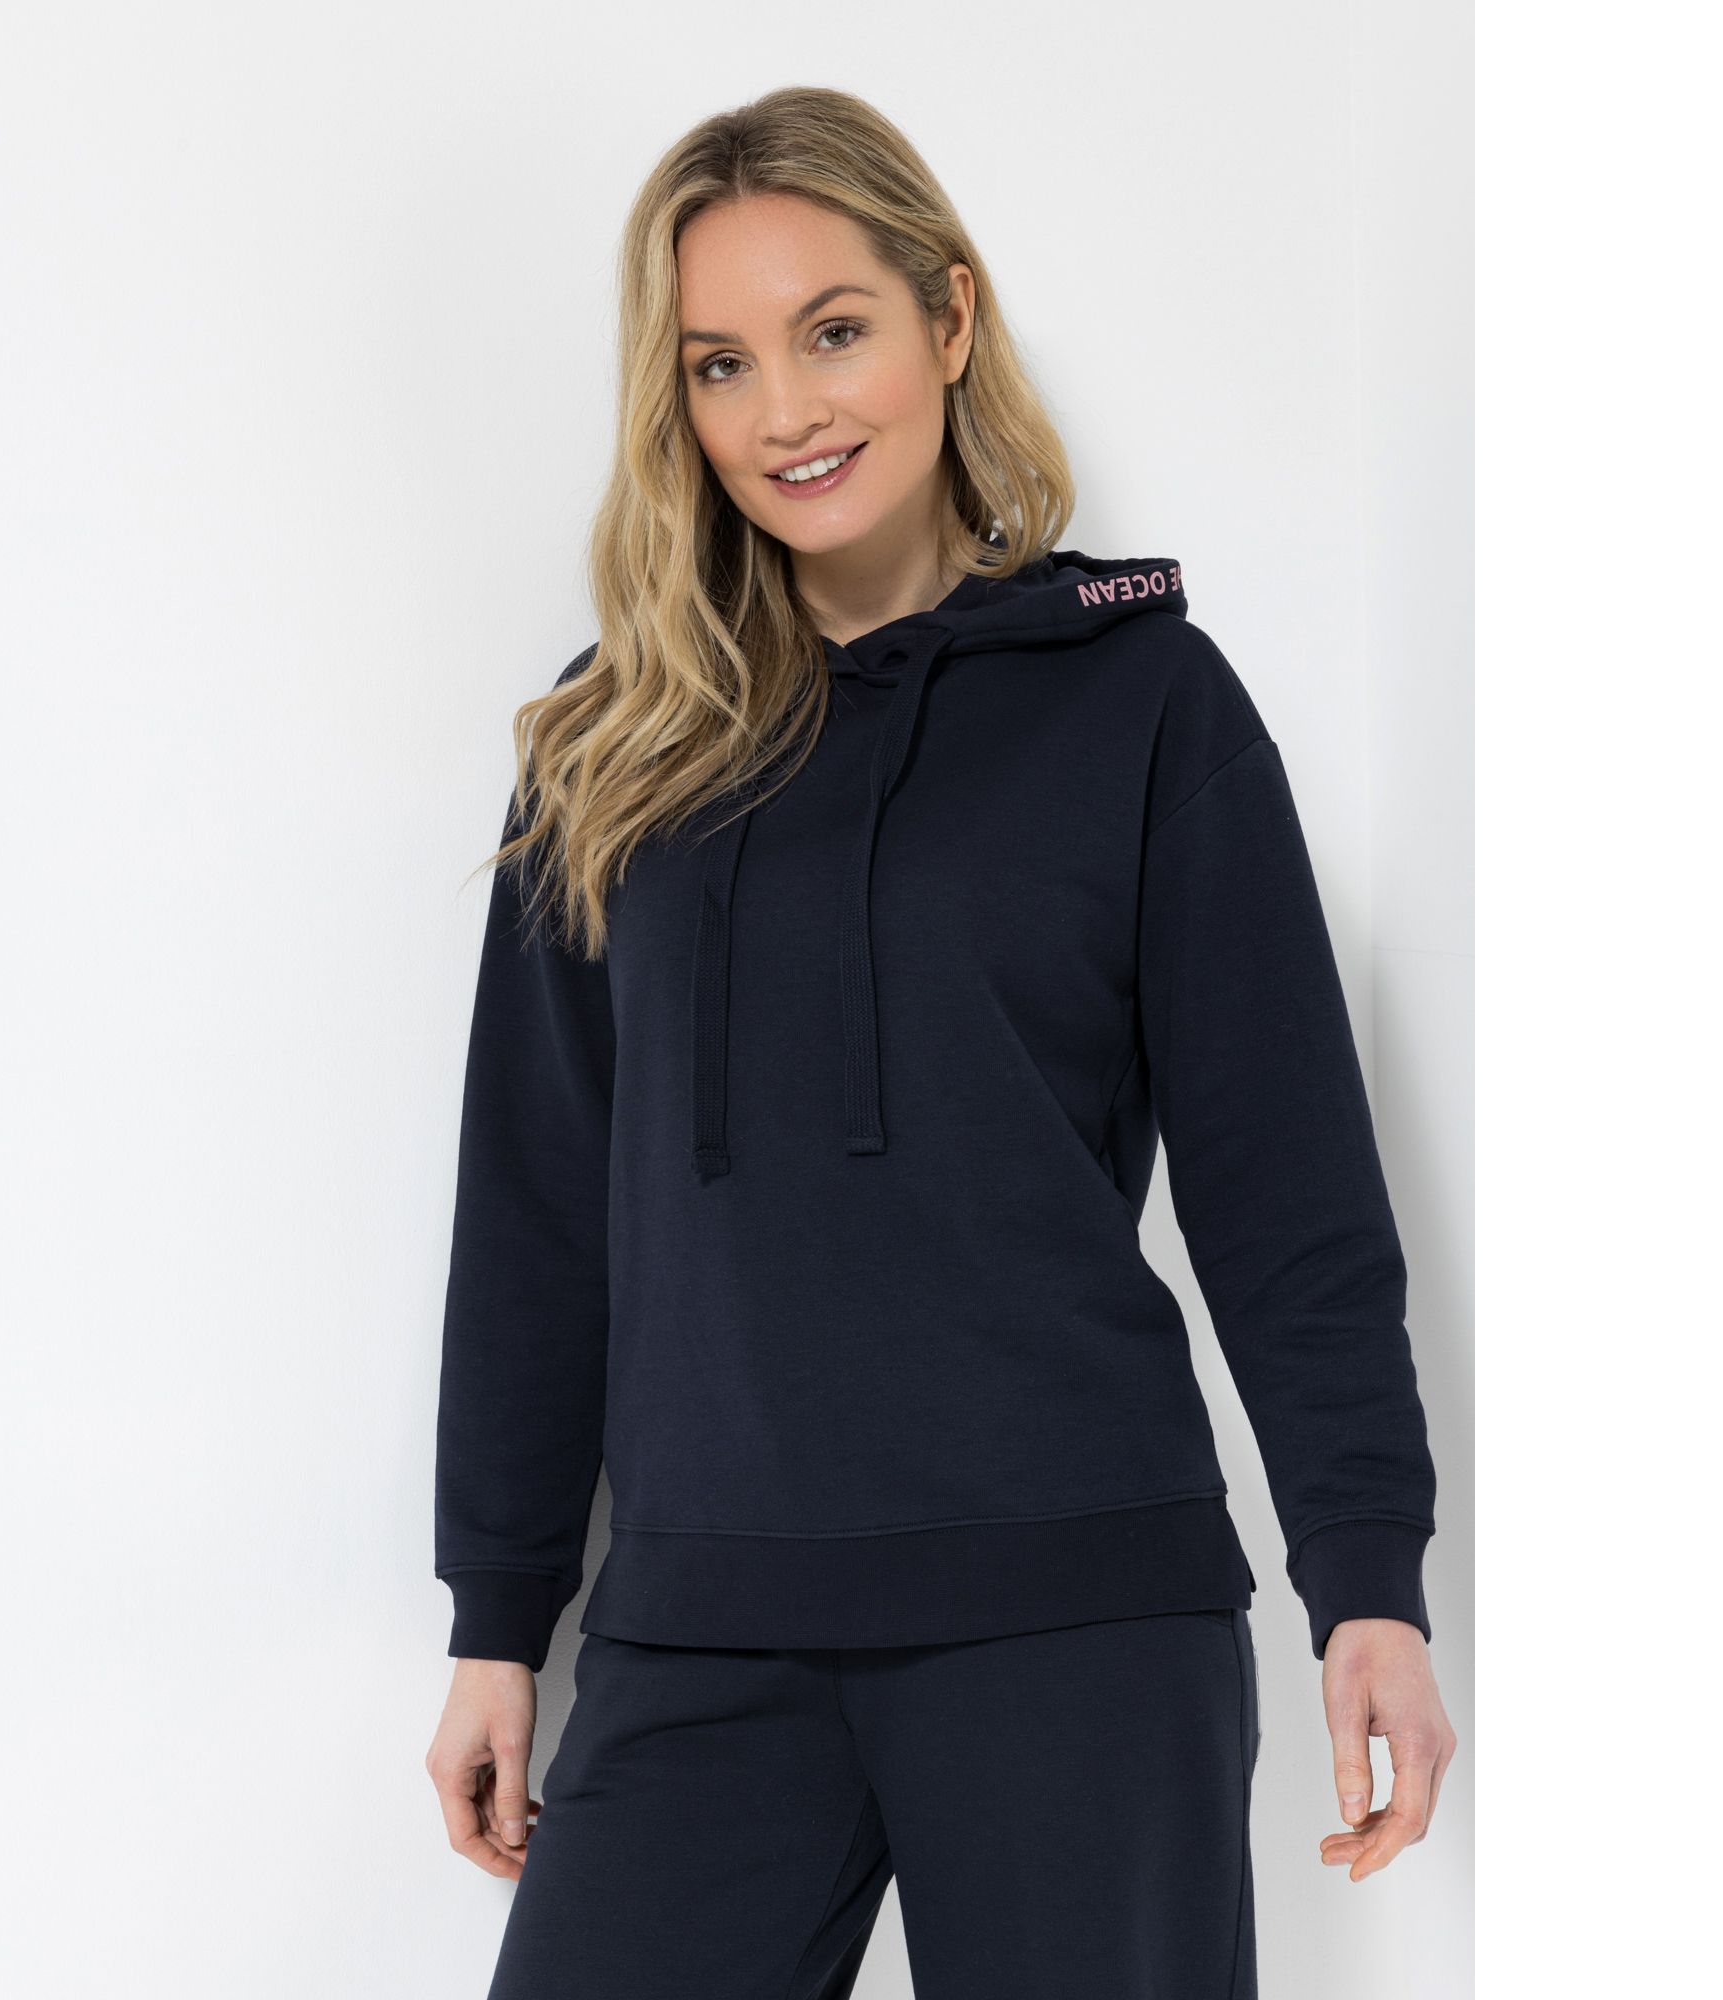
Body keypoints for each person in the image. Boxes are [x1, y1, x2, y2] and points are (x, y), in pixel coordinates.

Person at [423, 84, 1457, 2000]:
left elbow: (1288, 1188)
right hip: (702, 1632)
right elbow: (542, 1212)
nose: (786, 411)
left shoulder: (1146, 703)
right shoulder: (613, 743)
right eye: (721, 364)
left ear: (949, 317)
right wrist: (500, 1613)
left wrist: (1368, 1578)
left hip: (1081, 1615)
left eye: (834, 331)